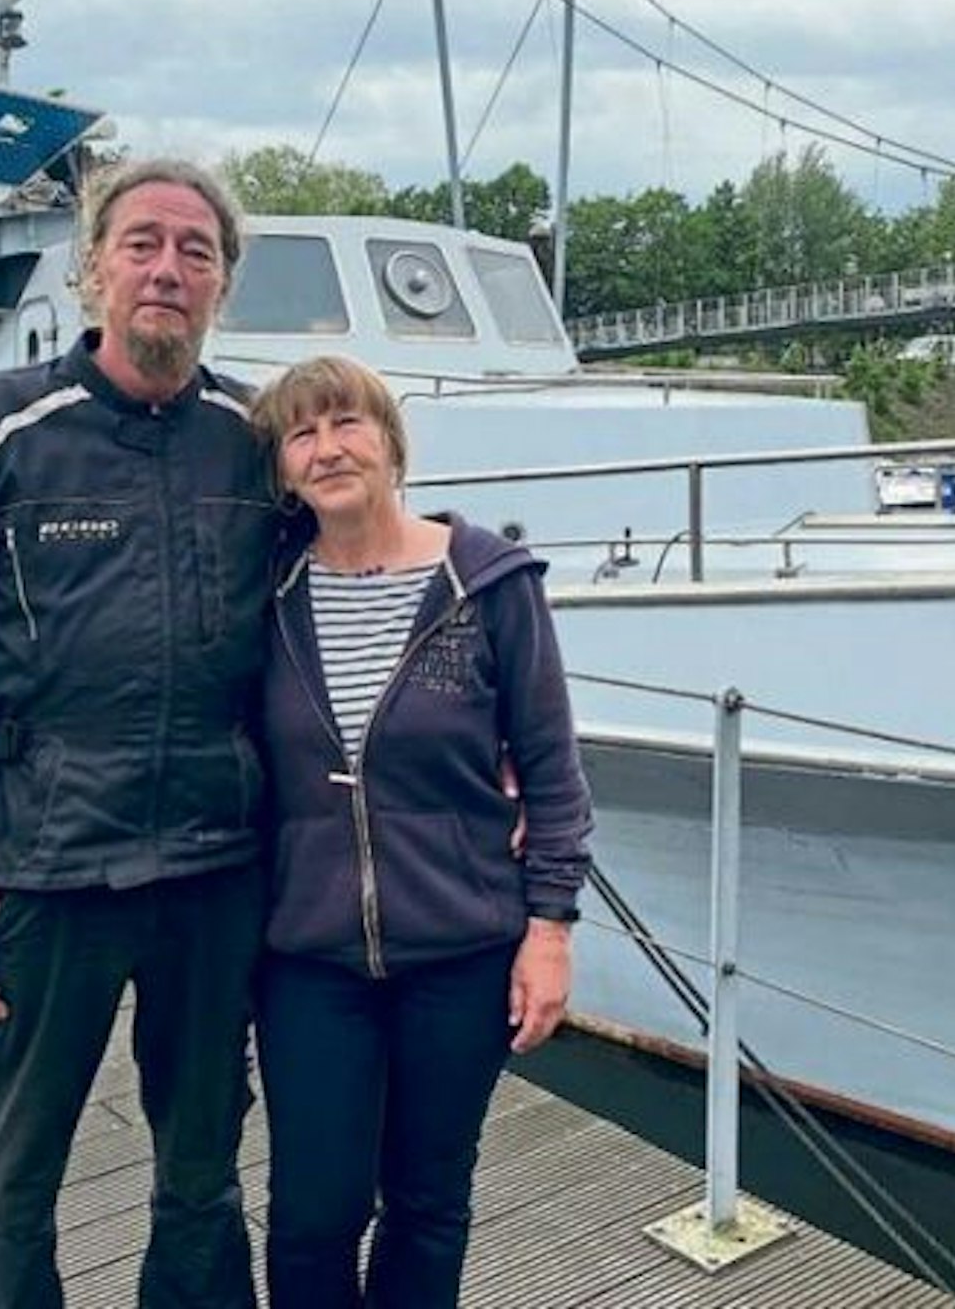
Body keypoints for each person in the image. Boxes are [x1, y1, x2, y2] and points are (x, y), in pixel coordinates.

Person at [0, 158, 276, 1309]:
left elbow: (355, 579)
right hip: (43, 875)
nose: (166, 268)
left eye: (195, 251)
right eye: (141, 243)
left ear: (221, 285)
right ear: (91, 266)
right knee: (9, 1181)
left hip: (214, 873)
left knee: (202, 1177)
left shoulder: (255, 439)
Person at [250, 355, 594, 1309]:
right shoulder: (267, 596)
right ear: (282, 469)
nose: (327, 449)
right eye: (301, 433)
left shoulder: (485, 583)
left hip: (461, 949)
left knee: (428, 1203)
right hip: (308, 959)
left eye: (346, 423)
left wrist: (550, 928)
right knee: (313, 1212)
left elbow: (553, 770)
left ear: (391, 442)